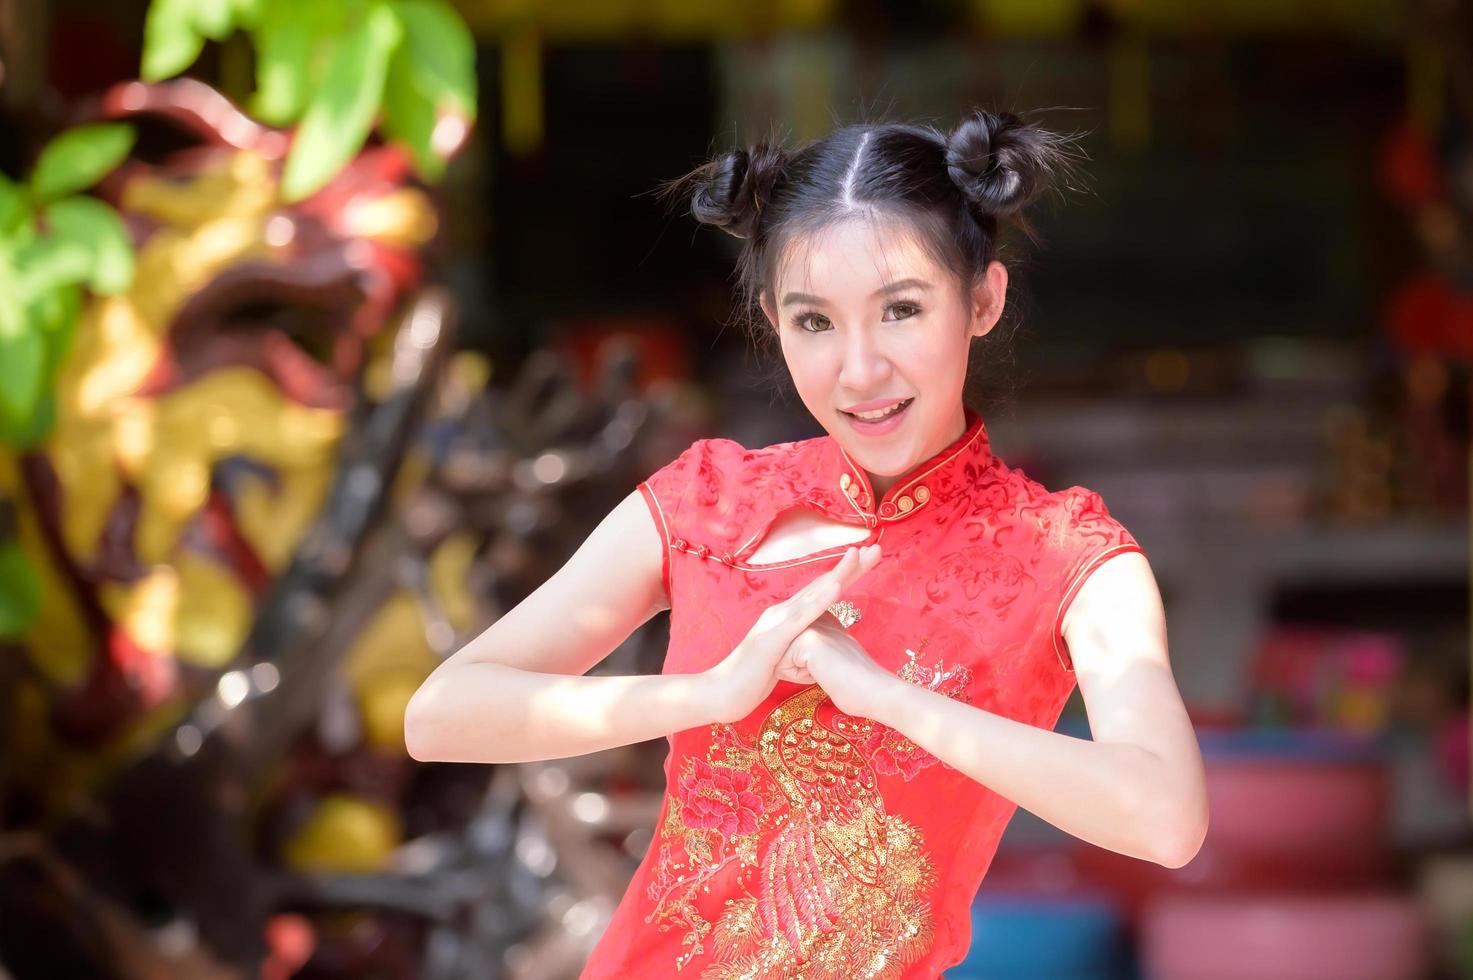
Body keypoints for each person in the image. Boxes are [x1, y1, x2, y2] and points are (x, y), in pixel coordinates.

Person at [405, 108, 1208, 979]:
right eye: (814, 322)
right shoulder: (704, 502)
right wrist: (711, 693)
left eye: (900, 310)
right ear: (769, 319)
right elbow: (440, 717)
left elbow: (1164, 819)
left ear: (983, 299)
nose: (858, 371)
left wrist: (884, 697)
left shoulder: (1068, 558)